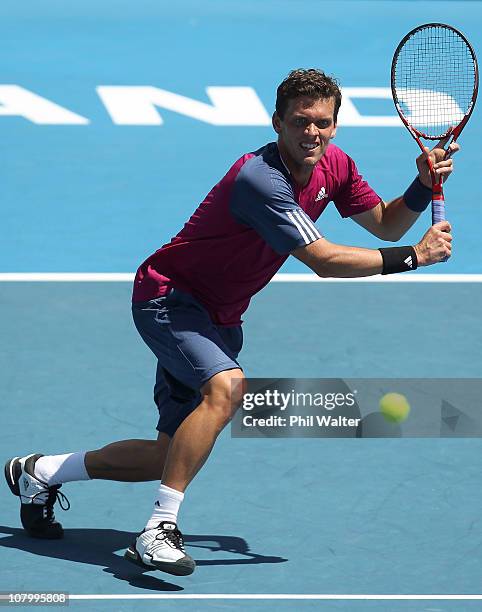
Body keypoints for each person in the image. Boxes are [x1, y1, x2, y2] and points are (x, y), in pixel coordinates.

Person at [4, 69, 456, 577]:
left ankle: (40, 472)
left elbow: (385, 222)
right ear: (277, 123)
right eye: (301, 122)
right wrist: (413, 257)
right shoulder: (259, 179)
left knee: (165, 457)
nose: (313, 134)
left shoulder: (336, 164)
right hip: (169, 299)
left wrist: (420, 186)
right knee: (227, 388)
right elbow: (325, 261)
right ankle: (158, 531)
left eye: (323, 124)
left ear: (335, 125)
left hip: (221, 315)